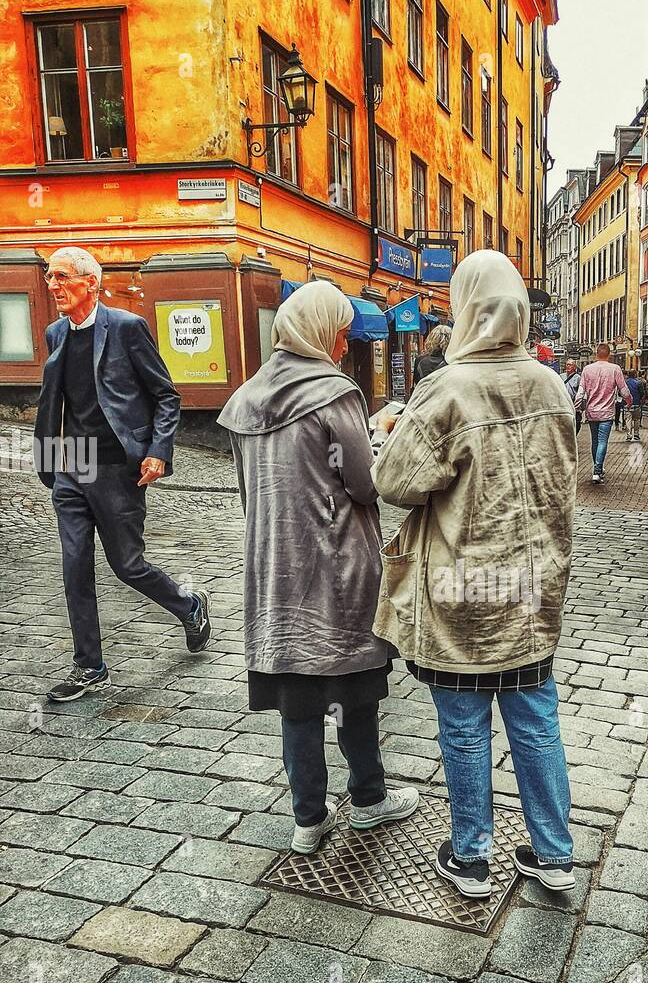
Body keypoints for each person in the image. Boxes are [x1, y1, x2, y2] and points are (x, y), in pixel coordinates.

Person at [373, 250, 577, 900]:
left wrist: (394, 427)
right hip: (528, 589)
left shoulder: (448, 389)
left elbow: (396, 484)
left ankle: (470, 860)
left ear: (465, 308)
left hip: (462, 591)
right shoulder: (549, 385)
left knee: (464, 729)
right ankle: (552, 853)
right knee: (535, 720)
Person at [218, 283, 420, 855]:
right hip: (335, 565)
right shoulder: (333, 393)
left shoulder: (247, 398)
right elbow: (362, 484)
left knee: (298, 697)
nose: (342, 340)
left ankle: (308, 816)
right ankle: (368, 799)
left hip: (274, 565)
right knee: (351, 687)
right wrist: (379, 435)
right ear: (318, 330)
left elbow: (248, 492)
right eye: (338, 329)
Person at [34, 247, 211, 703]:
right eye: (50, 276)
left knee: (127, 566)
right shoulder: (56, 333)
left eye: (61, 277)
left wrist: (157, 451)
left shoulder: (127, 328)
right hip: (75, 461)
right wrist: (50, 459)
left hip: (117, 466)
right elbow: (57, 401)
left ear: (90, 283)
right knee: (75, 567)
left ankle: (189, 606)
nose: (52, 285)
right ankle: (89, 667)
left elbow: (166, 396)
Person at [576, 343, 630, 483]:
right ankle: (597, 470)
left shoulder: (587, 369)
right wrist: (629, 401)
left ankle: (597, 468)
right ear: (609, 355)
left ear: (596, 354)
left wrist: (575, 407)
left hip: (592, 412)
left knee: (595, 441)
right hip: (606, 412)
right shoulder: (615, 369)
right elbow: (623, 390)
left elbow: (580, 392)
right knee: (602, 441)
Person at [561, 357, 583, 435]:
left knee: (576, 424)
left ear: (574, 367)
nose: (568, 366)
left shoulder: (578, 378)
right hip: (563, 405)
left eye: (570, 365)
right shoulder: (561, 376)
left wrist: (578, 405)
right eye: (567, 364)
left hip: (574, 405)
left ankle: (573, 436)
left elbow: (580, 392)